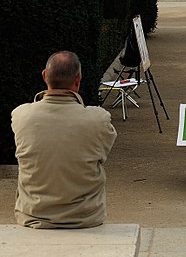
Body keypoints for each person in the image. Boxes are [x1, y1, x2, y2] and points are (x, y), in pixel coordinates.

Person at [11, 51, 117, 229]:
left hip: (33, 215)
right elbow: (102, 152)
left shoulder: (21, 115)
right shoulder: (98, 119)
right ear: (78, 79)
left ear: (45, 76)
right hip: (85, 217)